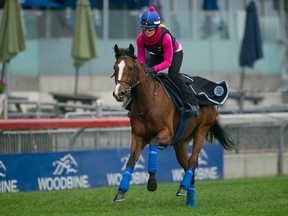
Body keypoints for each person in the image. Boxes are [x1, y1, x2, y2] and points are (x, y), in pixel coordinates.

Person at [136, 5, 199, 117]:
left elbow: (167, 62)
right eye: (144, 29)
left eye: (150, 29)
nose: (147, 32)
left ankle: (191, 102)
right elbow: (140, 58)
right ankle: (134, 105)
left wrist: (152, 69)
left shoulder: (166, 38)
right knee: (146, 78)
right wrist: (143, 67)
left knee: (173, 75)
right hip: (156, 53)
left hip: (174, 53)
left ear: (156, 27)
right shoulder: (140, 39)